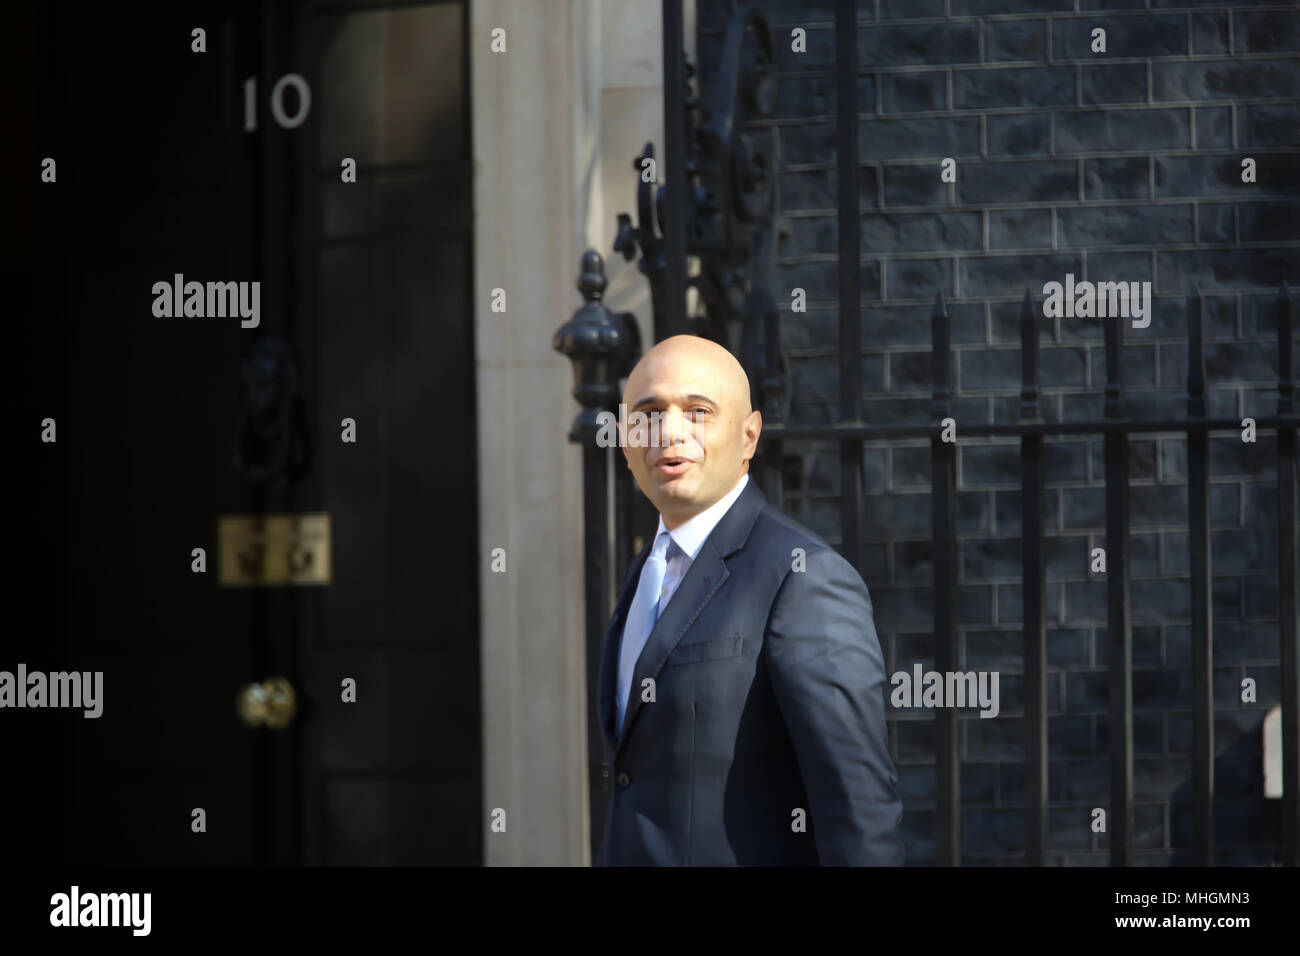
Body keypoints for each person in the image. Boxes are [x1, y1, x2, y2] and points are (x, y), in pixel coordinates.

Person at [596, 334, 904, 866]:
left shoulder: (802, 577)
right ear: (625, 441)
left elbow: (856, 805)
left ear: (748, 437)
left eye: (698, 411)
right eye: (648, 414)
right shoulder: (642, 574)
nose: (670, 432)